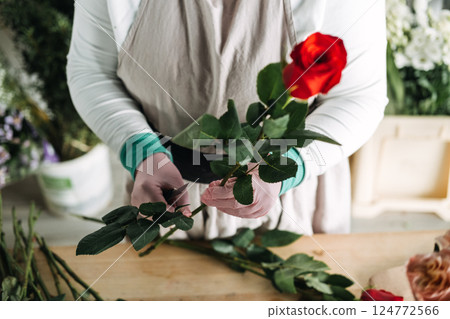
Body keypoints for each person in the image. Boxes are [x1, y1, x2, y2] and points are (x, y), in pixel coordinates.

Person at [67, 0, 387, 239]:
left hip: (289, 194)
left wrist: (282, 170)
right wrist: (143, 155)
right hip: (161, 189)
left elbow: (359, 96)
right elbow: (91, 71)